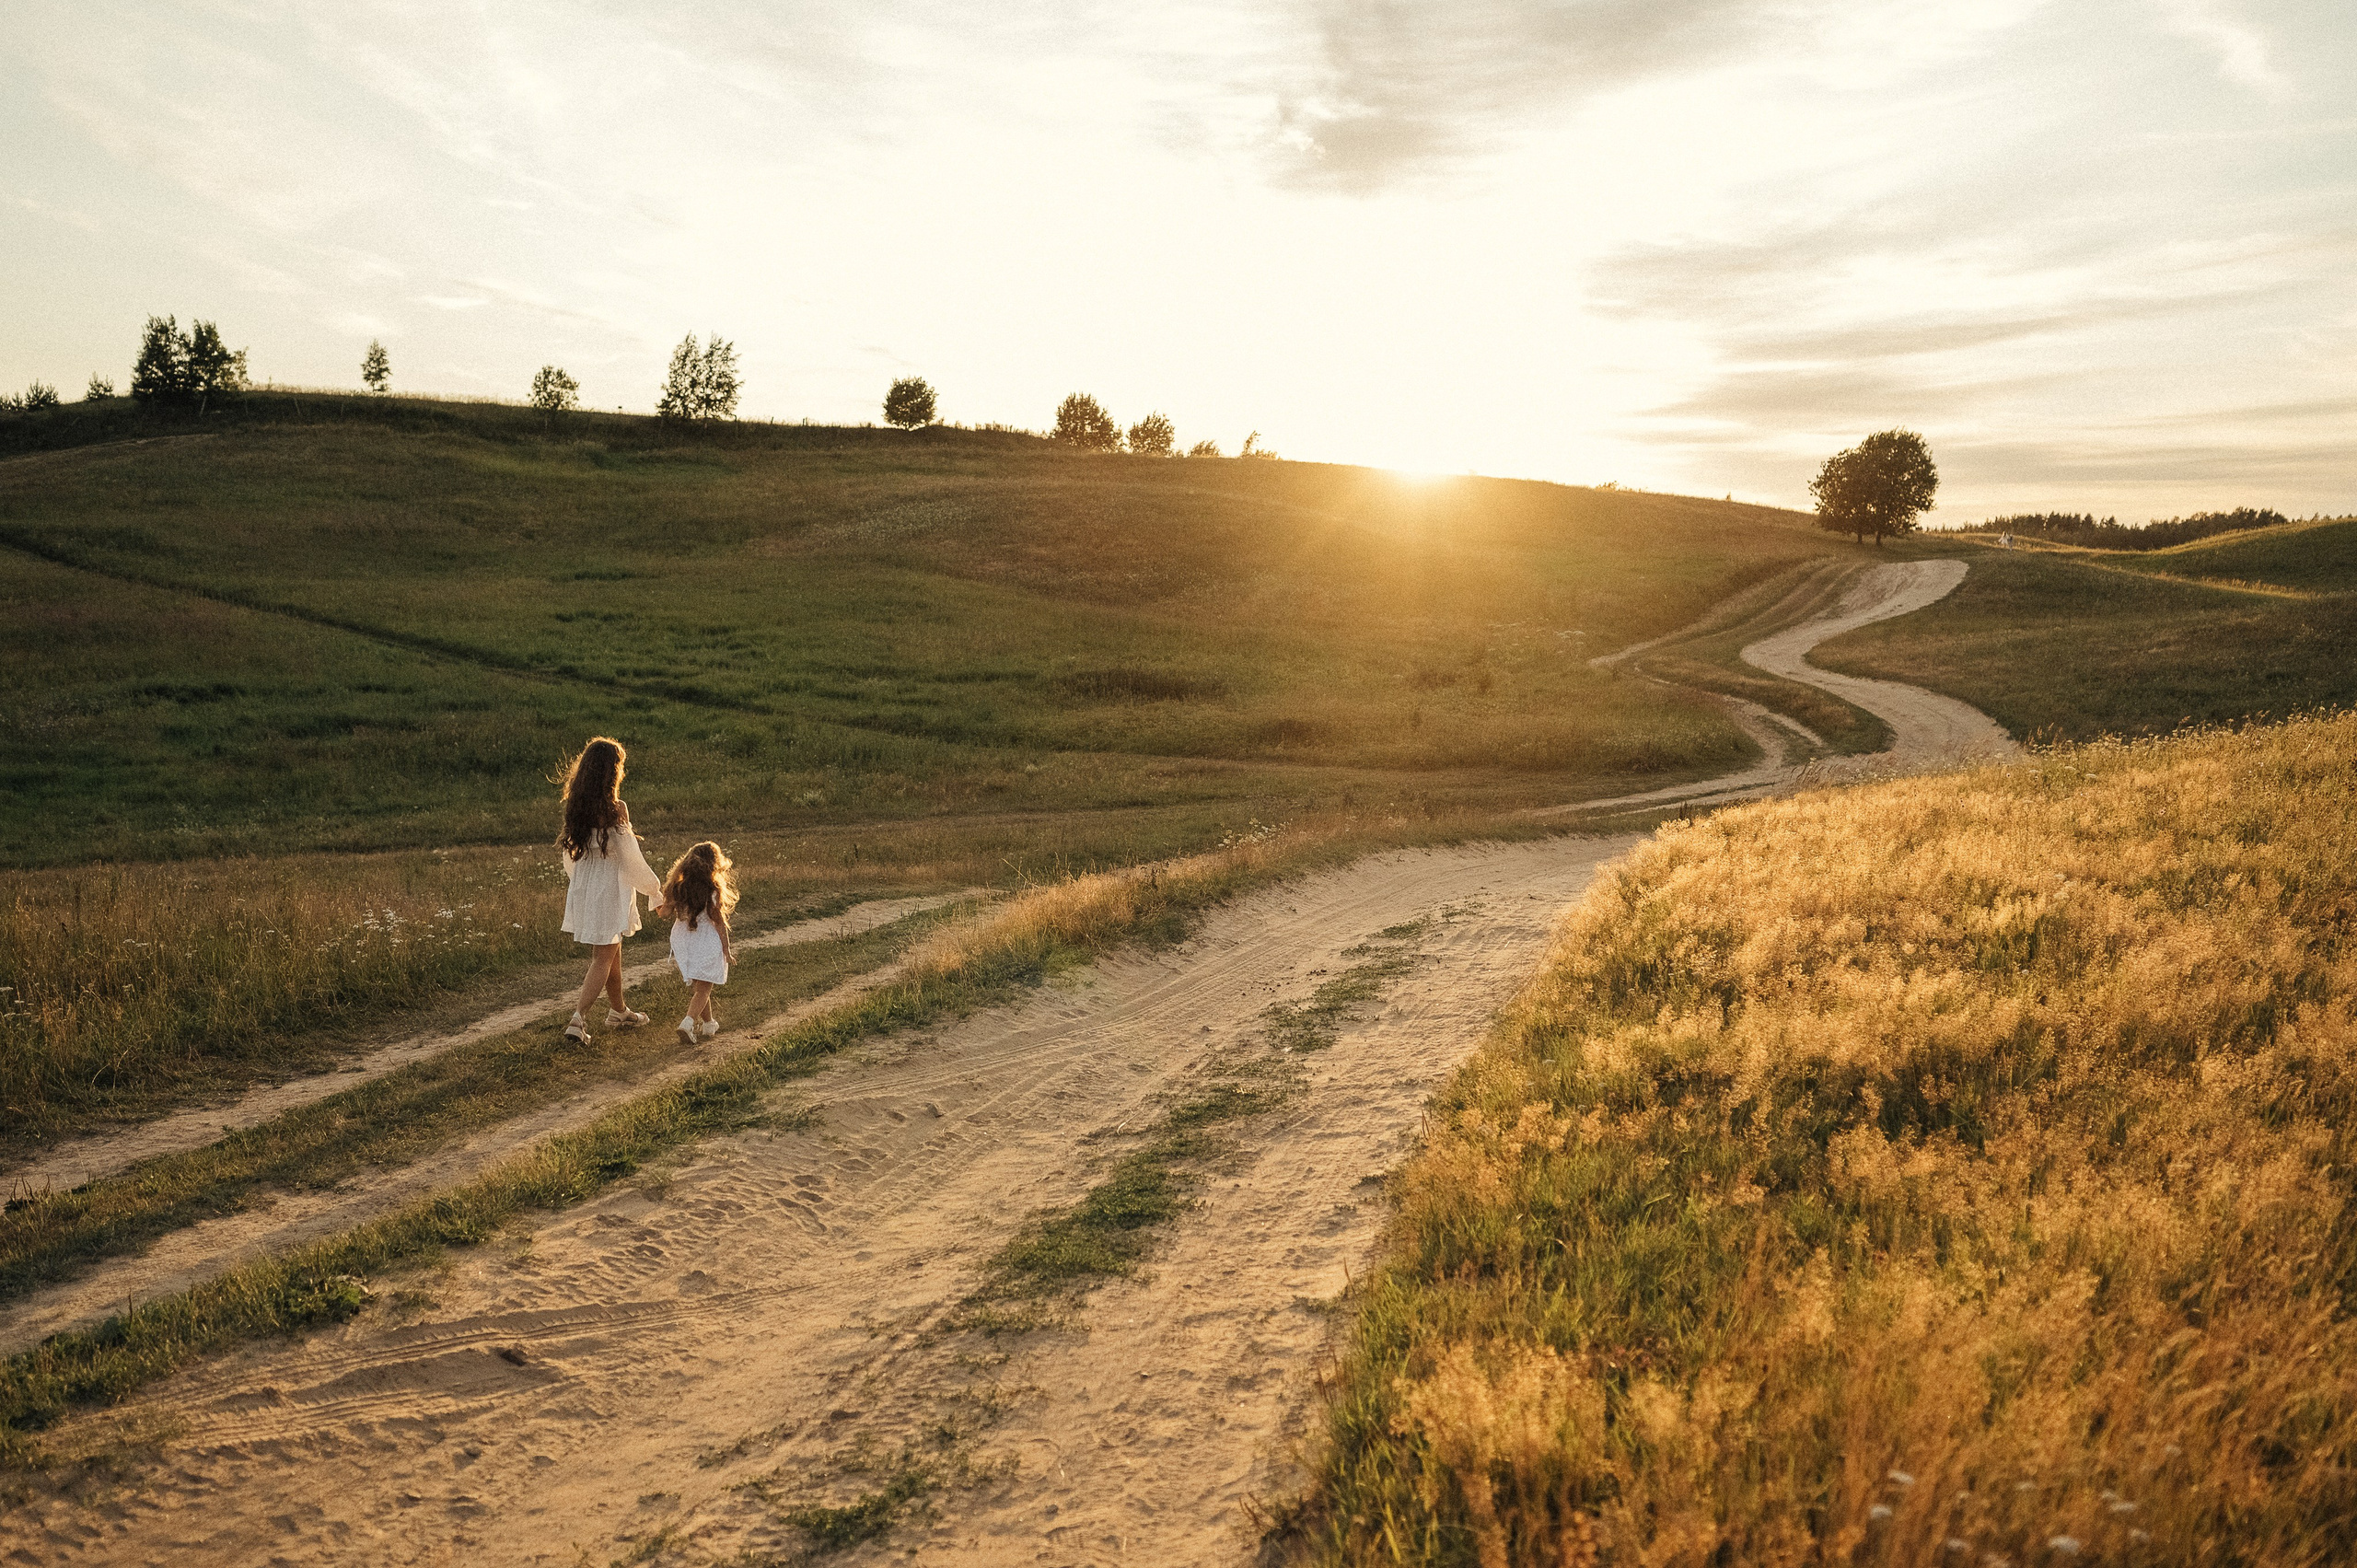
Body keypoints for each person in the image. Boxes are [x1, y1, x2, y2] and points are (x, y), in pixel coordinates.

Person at [556, 736, 663, 1043]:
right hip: (608, 889)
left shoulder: (577, 809)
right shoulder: (616, 809)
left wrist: (579, 886)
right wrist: (653, 891)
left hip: (587, 886)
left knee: (611, 952)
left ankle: (619, 1011)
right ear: (612, 772)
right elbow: (631, 858)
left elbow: (570, 857)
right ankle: (578, 1019)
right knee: (602, 959)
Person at [656, 841, 737, 1047]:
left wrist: (658, 900)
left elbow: (664, 913)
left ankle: (709, 1023)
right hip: (705, 939)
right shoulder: (712, 889)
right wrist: (726, 949)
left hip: (684, 940)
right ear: (714, 864)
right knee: (704, 988)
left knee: (700, 987)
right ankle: (688, 1022)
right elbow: (718, 921)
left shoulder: (677, 888)